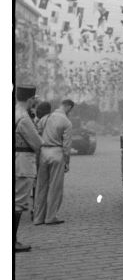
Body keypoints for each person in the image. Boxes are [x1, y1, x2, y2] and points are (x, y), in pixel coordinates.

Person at [33, 99, 75, 225]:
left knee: (41, 187)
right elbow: (67, 146)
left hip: (43, 153)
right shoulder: (66, 122)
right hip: (57, 153)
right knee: (55, 187)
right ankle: (51, 217)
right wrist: (67, 162)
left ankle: (38, 218)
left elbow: (36, 134)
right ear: (68, 107)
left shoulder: (45, 118)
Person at [15, 85, 44, 252]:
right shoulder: (24, 118)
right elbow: (37, 143)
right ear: (31, 99)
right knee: (18, 204)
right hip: (23, 163)